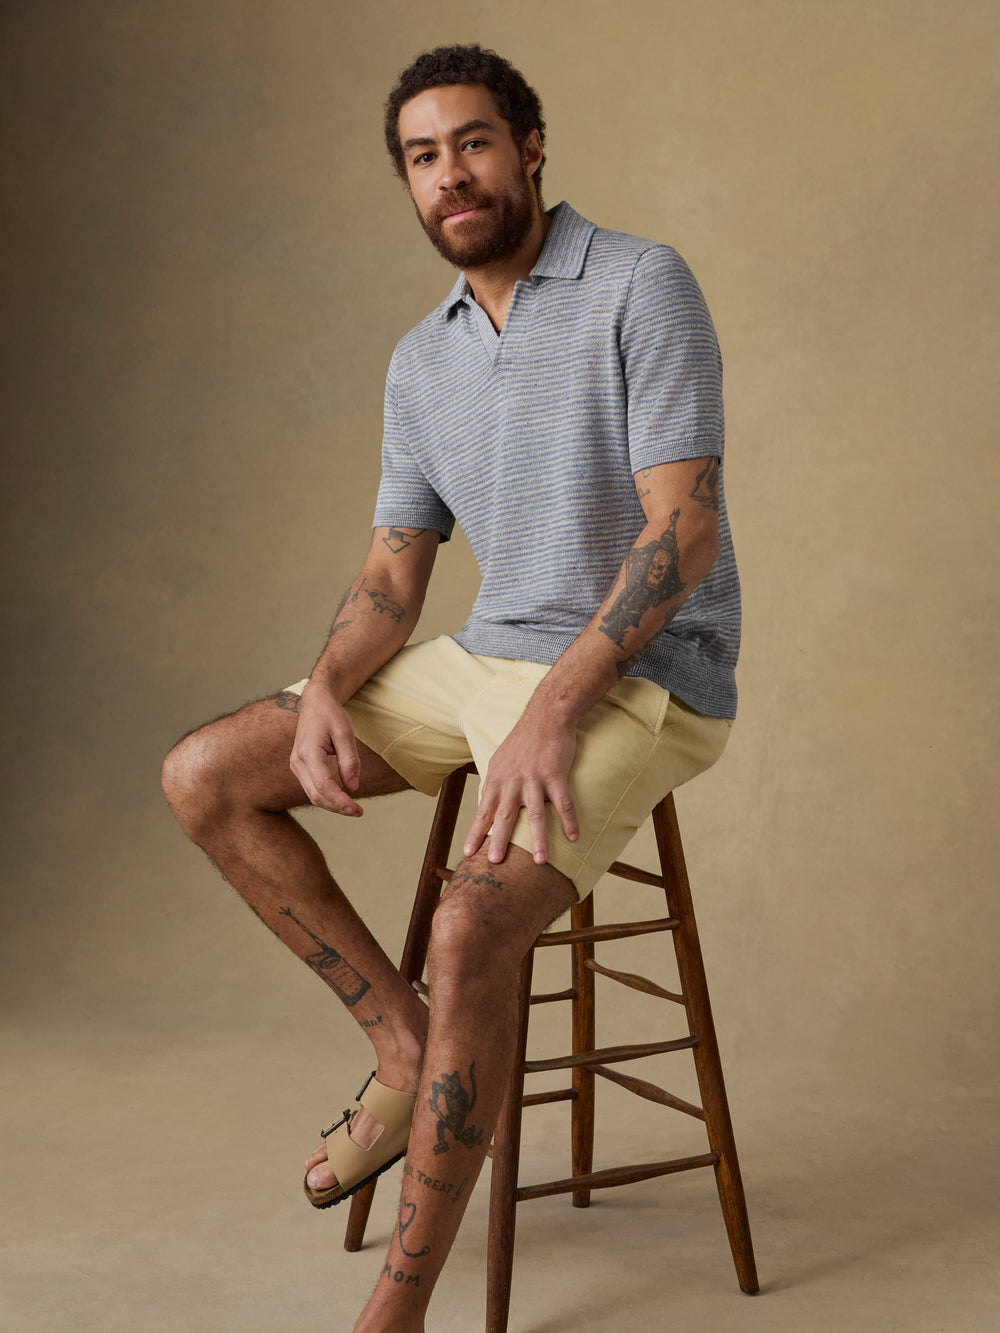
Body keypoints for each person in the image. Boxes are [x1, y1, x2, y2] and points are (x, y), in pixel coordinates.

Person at [162, 42, 740, 1333]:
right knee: (205, 774)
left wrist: (552, 711)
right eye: (423, 157)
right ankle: (403, 1048)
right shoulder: (421, 359)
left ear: (529, 146)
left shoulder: (638, 282)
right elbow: (394, 566)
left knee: (471, 928)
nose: (450, 175)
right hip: (486, 657)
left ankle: (401, 1305)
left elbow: (684, 532)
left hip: (646, 672)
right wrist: (326, 685)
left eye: (472, 142)